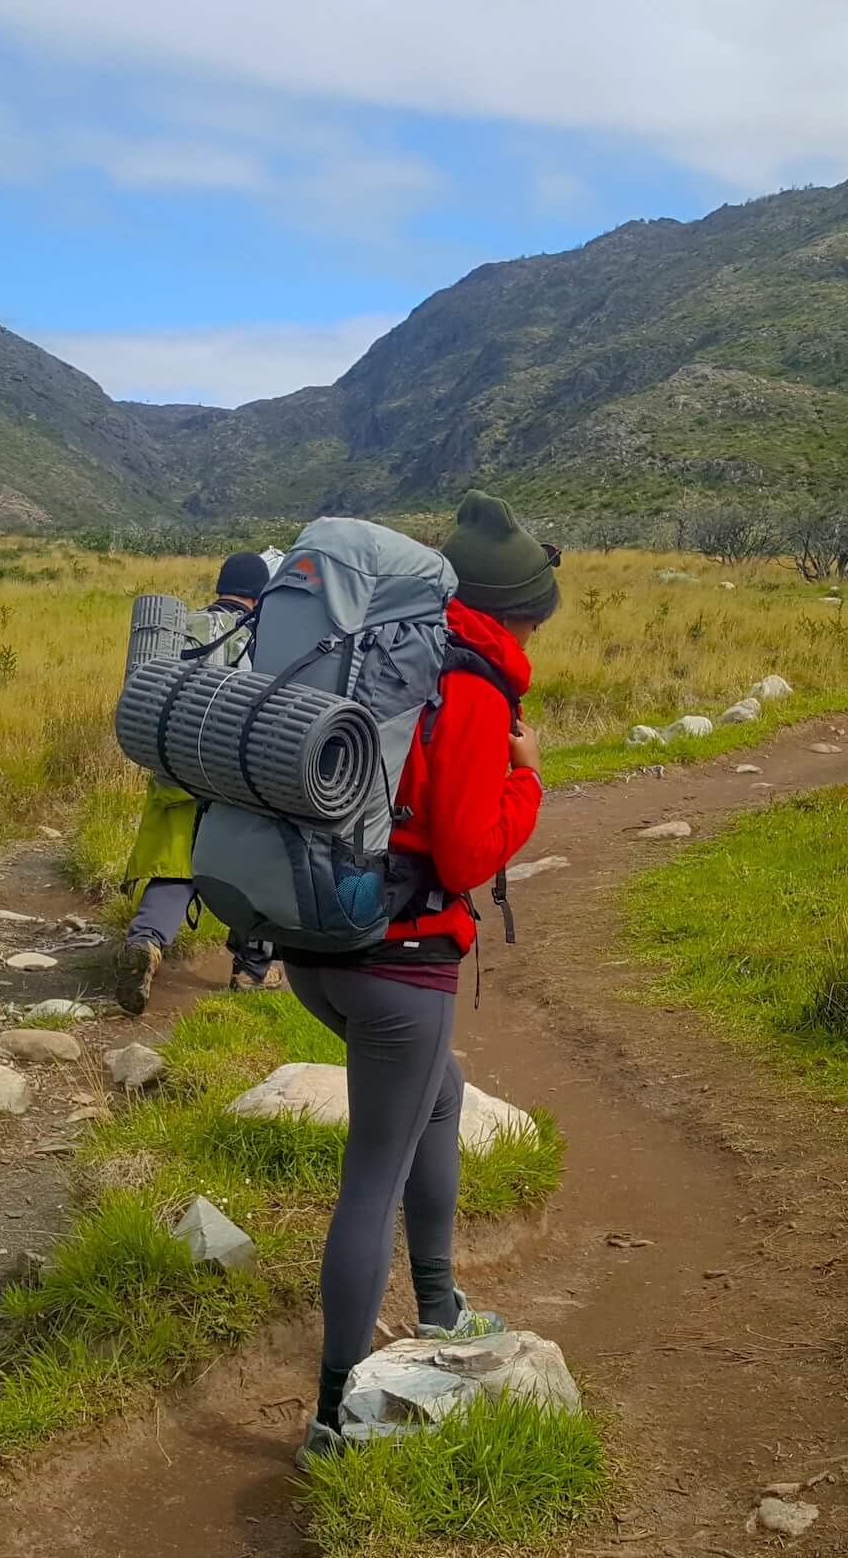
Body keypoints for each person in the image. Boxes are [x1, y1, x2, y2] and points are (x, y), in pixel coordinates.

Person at [290, 491, 558, 1456]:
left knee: (438, 1097)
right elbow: (463, 854)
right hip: (401, 962)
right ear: (521, 610)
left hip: (317, 944)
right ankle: (331, 1412)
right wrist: (528, 781)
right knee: (373, 1174)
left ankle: (440, 1308)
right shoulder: (475, 686)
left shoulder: (381, 649)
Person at [115, 551, 280, 1013]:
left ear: (221, 586)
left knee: (174, 866)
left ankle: (147, 942)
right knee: (247, 871)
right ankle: (251, 970)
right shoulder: (262, 636)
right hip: (233, 777)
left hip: (175, 770)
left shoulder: (177, 630)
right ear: (259, 594)